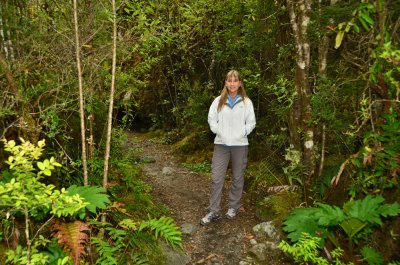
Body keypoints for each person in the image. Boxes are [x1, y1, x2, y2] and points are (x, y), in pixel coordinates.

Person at [200, 70, 256, 226]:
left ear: (239, 83)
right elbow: (212, 119)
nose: (232, 83)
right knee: (216, 178)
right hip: (221, 144)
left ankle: (233, 207)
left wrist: (242, 132)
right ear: (225, 83)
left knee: (238, 177)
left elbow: (251, 123)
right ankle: (213, 211)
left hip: (240, 145)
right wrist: (218, 131)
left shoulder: (246, 102)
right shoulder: (218, 101)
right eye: (229, 80)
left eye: (235, 80)